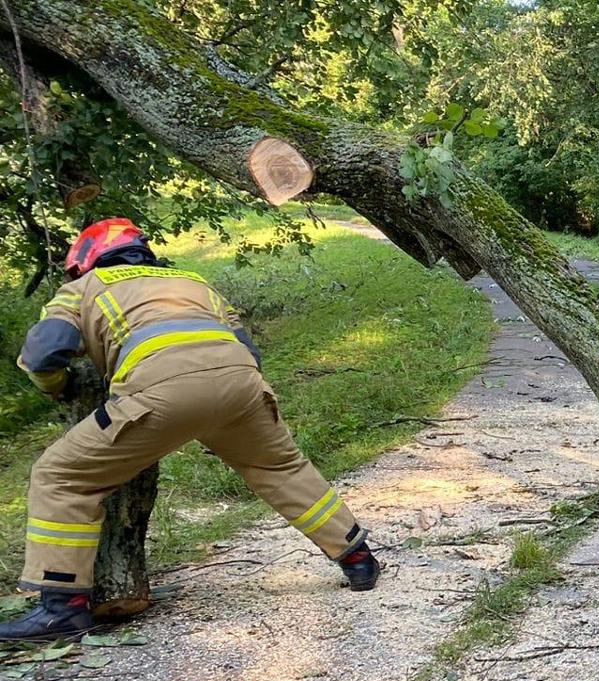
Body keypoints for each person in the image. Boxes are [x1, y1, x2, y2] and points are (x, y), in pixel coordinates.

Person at [0, 219, 380, 641]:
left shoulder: (84, 287)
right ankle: (357, 557)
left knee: (61, 476)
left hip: (160, 392)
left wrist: (61, 388)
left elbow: (42, 355)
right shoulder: (193, 282)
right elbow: (248, 349)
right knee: (281, 469)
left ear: (85, 260)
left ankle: (62, 608)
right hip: (241, 383)